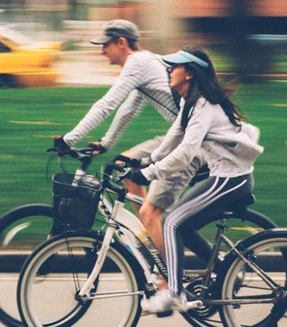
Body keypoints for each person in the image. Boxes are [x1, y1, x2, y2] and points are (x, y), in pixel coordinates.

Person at [126, 46, 263, 314]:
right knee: (182, 226)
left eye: (174, 67)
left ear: (189, 73)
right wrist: (146, 161)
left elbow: (186, 152)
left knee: (172, 223)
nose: (168, 70)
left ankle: (174, 293)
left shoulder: (204, 104)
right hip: (224, 177)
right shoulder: (191, 103)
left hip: (231, 180)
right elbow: (173, 137)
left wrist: (149, 173)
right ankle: (223, 270)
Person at [53, 19, 203, 261]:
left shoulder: (137, 62)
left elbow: (107, 104)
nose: (102, 51)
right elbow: (128, 109)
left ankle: (168, 277)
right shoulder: (145, 62)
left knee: (151, 210)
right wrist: (106, 143)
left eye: (106, 45)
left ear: (121, 43)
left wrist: (70, 139)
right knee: (125, 165)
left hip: (191, 142)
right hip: (181, 135)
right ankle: (149, 237)